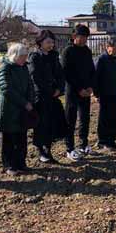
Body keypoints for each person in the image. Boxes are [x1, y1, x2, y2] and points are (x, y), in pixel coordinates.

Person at [28, 30, 67, 163]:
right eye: (48, 42)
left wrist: (59, 89)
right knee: (42, 125)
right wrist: (49, 91)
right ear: (40, 42)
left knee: (53, 124)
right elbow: (36, 78)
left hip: (54, 96)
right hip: (41, 96)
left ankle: (48, 150)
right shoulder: (35, 57)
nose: (51, 44)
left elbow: (60, 75)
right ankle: (41, 151)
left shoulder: (54, 56)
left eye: (52, 42)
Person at [0, 43, 35, 176]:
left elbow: (30, 84)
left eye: (26, 56)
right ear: (14, 56)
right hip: (9, 109)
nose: (25, 58)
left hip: (23, 109)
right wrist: (24, 103)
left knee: (21, 139)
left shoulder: (24, 67)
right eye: (22, 56)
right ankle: (9, 165)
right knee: (9, 140)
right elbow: (6, 88)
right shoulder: (5, 68)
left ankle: (21, 163)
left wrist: (30, 100)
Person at [61, 24, 96, 161]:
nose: (84, 40)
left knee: (85, 118)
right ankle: (69, 148)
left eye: (86, 37)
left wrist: (90, 87)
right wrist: (79, 89)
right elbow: (67, 73)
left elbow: (91, 70)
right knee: (70, 119)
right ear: (74, 36)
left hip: (86, 91)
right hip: (72, 91)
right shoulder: (67, 51)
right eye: (82, 37)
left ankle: (83, 144)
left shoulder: (87, 51)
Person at [94, 38, 116, 150]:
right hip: (104, 94)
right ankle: (103, 141)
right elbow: (95, 77)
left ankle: (112, 140)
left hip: (115, 93)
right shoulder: (101, 59)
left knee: (115, 118)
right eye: (115, 49)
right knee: (105, 118)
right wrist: (96, 94)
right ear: (108, 47)